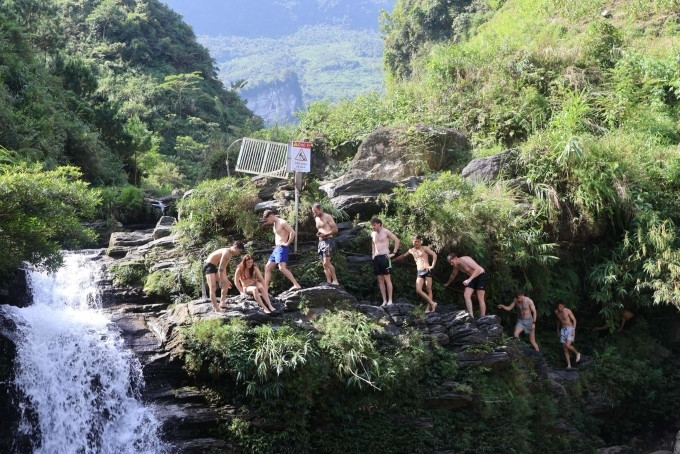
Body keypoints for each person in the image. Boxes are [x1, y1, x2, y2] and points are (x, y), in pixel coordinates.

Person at [393, 235, 437, 313]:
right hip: (419, 271)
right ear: (412, 241)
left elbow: (434, 255)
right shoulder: (411, 250)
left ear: (420, 241)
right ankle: (432, 303)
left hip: (427, 270)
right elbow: (403, 256)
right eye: (414, 241)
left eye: (417, 241)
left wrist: (432, 266)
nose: (416, 243)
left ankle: (428, 308)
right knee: (418, 290)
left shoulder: (424, 248)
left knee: (428, 289)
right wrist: (393, 260)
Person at [262, 210, 301, 291]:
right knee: (267, 267)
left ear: (271, 216)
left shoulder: (282, 222)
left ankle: (296, 284)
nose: (267, 221)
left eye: (267, 219)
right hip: (277, 248)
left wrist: (287, 243)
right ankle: (265, 289)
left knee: (281, 267)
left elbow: (292, 232)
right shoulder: (274, 224)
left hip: (282, 248)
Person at [203, 241, 245, 312]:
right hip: (208, 266)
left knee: (226, 284)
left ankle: (222, 303)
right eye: (239, 251)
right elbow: (220, 267)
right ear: (235, 247)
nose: (238, 253)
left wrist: (225, 279)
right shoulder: (226, 252)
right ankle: (216, 309)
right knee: (213, 287)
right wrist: (221, 280)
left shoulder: (230, 254)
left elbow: (224, 268)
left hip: (214, 267)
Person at [444, 253, 487, 317]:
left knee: (480, 297)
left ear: (455, 258)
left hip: (481, 275)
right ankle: (471, 316)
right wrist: (447, 283)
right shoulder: (456, 266)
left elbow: (478, 269)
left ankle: (483, 317)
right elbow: (453, 275)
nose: (451, 264)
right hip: (472, 277)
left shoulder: (465, 259)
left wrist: (469, 280)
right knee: (466, 295)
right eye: (450, 263)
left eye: (452, 262)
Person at [370, 217, 400, 307]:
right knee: (380, 279)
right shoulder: (373, 234)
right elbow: (372, 243)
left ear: (379, 224)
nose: (373, 227)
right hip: (377, 257)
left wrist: (393, 253)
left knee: (387, 278)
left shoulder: (386, 231)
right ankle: (384, 301)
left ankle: (390, 299)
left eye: (374, 225)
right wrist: (373, 253)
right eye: (372, 225)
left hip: (385, 257)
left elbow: (397, 240)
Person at [312, 203, 339, 285]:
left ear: (320, 210)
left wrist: (325, 235)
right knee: (323, 264)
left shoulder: (327, 217)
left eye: (316, 211)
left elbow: (335, 229)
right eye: (313, 212)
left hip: (328, 240)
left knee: (327, 262)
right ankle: (328, 281)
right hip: (321, 242)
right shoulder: (316, 218)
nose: (314, 213)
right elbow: (321, 228)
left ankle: (335, 280)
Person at [555, 303, 581, 368]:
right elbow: (558, 320)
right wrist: (558, 330)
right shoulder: (556, 312)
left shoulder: (567, 311)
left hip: (570, 329)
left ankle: (577, 353)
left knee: (567, 345)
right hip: (563, 329)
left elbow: (574, 320)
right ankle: (569, 365)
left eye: (560, 306)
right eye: (558, 306)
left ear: (563, 306)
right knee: (565, 348)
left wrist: (573, 329)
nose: (559, 308)